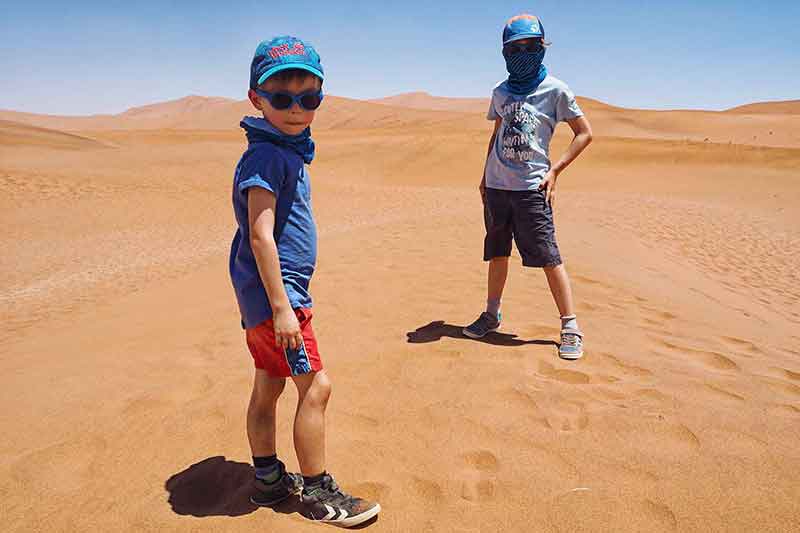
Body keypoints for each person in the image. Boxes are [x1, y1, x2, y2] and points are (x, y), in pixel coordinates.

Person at [228, 35, 380, 527]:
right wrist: (282, 308)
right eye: (282, 97)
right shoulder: (268, 158)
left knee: (269, 383)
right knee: (317, 387)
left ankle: (269, 481)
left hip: (265, 299)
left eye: (309, 98)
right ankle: (317, 492)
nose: (296, 109)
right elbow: (260, 235)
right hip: (280, 299)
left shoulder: (280, 150)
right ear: (257, 99)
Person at [463, 15, 593, 360]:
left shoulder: (556, 90)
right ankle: (491, 314)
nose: (523, 54)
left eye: (531, 47)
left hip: (531, 189)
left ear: (542, 47)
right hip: (497, 188)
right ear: (504, 52)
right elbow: (496, 135)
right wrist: (484, 176)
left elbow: (584, 133)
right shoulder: (500, 92)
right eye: (515, 48)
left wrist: (556, 171)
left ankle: (570, 326)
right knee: (497, 252)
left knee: (549, 256)